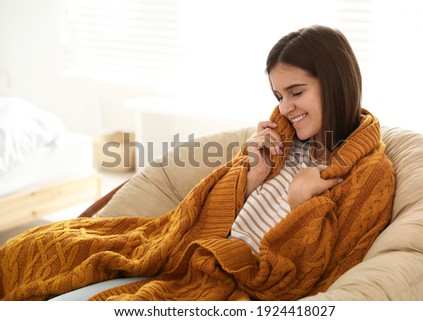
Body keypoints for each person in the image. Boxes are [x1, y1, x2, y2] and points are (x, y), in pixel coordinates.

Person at [0, 25, 395, 301]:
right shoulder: (284, 139)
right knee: (37, 247)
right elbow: (205, 210)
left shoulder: (369, 175)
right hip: (188, 246)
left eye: (296, 92)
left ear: (336, 83)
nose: (285, 107)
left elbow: (299, 280)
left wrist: (302, 202)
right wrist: (251, 174)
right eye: (278, 95)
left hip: (231, 274)